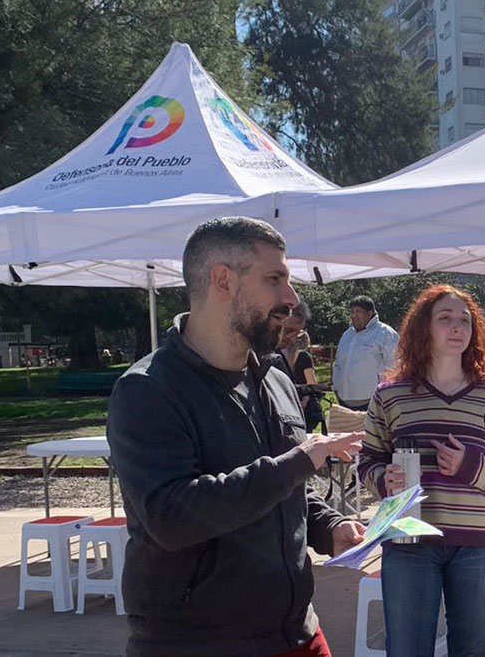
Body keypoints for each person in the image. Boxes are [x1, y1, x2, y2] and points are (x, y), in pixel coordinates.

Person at [106, 216, 366, 657]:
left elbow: (286, 491)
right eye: (274, 279)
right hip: (198, 644)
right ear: (222, 280)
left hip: (299, 634)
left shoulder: (274, 377)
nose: (291, 298)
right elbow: (171, 518)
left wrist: (329, 526)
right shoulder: (148, 390)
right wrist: (301, 458)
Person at [357, 285, 485, 657]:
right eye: (445, 319)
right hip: (408, 543)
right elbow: (368, 460)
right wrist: (383, 480)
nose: (457, 327)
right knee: (407, 650)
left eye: (465, 320)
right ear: (423, 328)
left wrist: (470, 466)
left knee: (473, 651)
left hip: (479, 545)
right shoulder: (390, 395)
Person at [332, 295, 398, 410]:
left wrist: (385, 394)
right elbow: (338, 364)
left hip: (373, 402)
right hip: (344, 402)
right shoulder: (347, 335)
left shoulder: (385, 333)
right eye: (352, 311)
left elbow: (394, 366)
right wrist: (337, 387)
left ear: (370, 313)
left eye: (358, 311)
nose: (353, 316)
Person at [273, 302, 324, 432]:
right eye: (288, 330)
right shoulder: (262, 355)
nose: (293, 337)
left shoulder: (280, 355)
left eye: (298, 332)